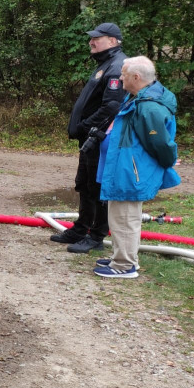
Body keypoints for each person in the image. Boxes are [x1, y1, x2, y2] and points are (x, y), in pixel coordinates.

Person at [93, 56, 180, 278]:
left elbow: (159, 142)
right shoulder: (138, 98)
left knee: (125, 219)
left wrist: (169, 159)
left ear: (136, 77)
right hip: (126, 170)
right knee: (121, 217)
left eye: (123, 74)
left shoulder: (148, 107)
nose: (120, 78)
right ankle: (122, 257)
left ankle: (124, 266)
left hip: (131, 172)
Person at [52, 23, 127, 253]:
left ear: (112, 41)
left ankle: (96, 235)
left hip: (100, 139)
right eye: (91, 38)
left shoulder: (116, 67)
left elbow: (111, 107)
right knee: (84, 184)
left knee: (96, 187)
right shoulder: (105, 65)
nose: (91, 42)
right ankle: (80, 228)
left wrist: (85, 126)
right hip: (90, 139)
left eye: (97, 38)